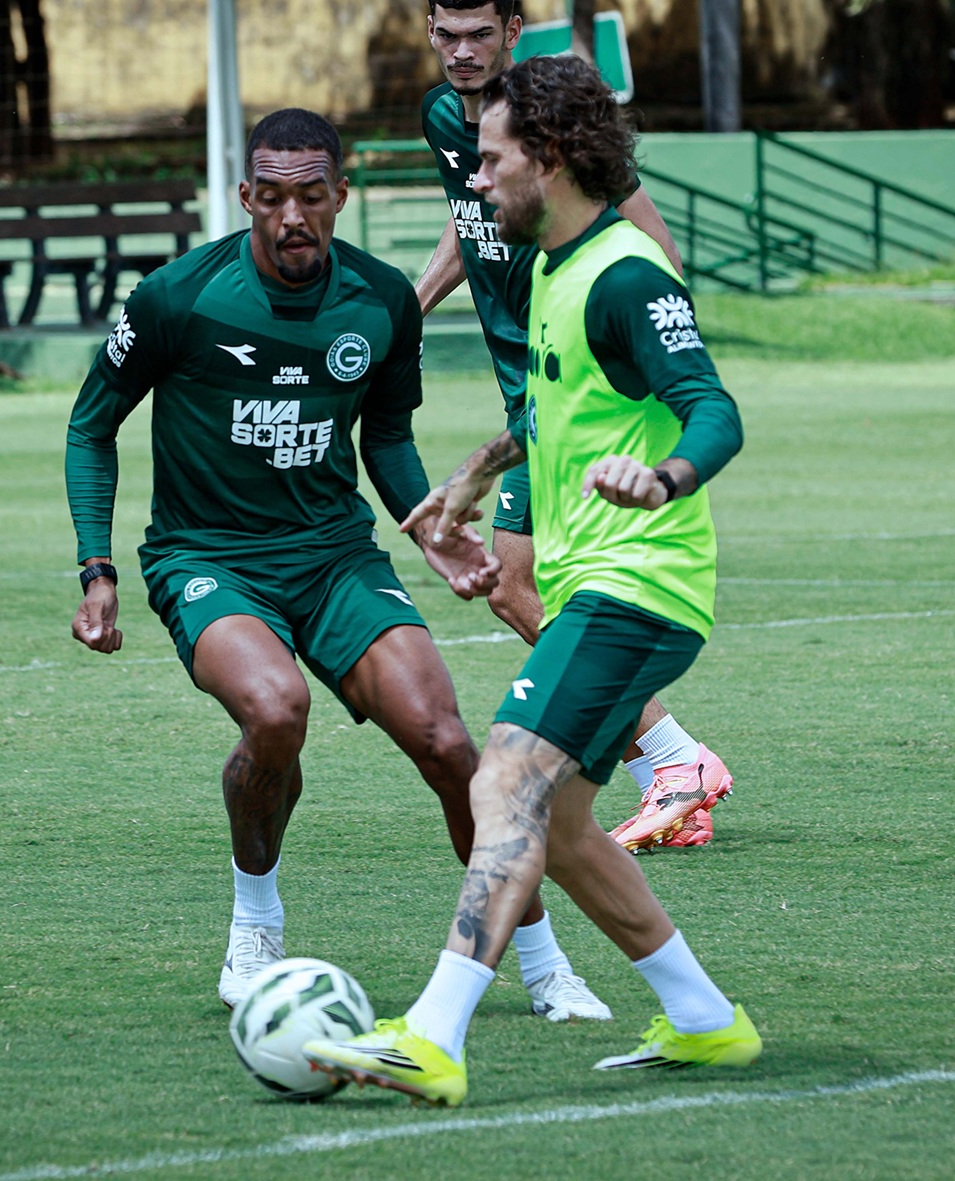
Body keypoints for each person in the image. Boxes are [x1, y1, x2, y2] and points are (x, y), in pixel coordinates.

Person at [64, 107, 610, 1022]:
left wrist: (428, 525)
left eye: (311, 197)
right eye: (271, 198)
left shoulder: (384, 299)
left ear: (340, 197)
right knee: (277, 710)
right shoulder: (178, 297)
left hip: (334, 559)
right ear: (244, 197)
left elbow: (386, 437)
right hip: (210, 560)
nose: (291, 218)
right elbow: (91, 426)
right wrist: (97, 568)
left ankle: (545, 962)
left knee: (447, 744)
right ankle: (255, 919)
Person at [305, 57, 758, 1108]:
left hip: (639, 585)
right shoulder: (551, 268)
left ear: (547, 159)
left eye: (493, 159)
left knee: (503, 778)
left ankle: (431, 1034)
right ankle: (703, 1019)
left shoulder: (626, 272)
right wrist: (471, 478)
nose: (477, 177)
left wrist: (666, 473)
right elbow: (556, 408)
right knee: (556, 825)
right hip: (599, 580)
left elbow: (712, 404)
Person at [417, 0, 733, 852]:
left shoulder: (550, 118)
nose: (462, 52)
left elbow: (652, 250)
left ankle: (667, 763)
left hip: (579, 393)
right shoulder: (446, 118)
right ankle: (665, 766)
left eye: (481, 33)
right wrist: (410, 308)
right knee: (519, 587)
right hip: (527, 396)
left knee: (521, 586)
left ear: (515, 31)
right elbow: (472, 212)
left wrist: (639, 357)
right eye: (446, 34)